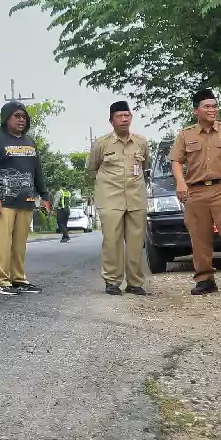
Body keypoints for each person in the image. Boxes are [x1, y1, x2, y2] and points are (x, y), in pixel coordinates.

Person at [168, 88, 221, 296]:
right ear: (196, 111)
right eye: (207, 106)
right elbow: (176, 161)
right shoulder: (185, 134)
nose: (212, 110)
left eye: (214, 106)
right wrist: (181, 183)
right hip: (196, 192)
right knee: (199, 238)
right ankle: (205, 279)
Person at [0, 101, 50, 295]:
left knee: (19, 245)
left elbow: (38, 171)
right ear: (6, 118)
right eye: (17, 116)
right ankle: (1, 281)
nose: (22, 119)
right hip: (3, 202)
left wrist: (43, 195)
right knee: (1, 244)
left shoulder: (30, 143)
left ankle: (18, 279)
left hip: (26, 201)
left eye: (24, 116)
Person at [87, 100, 152, 296]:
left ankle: (135, 282)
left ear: (131, 118)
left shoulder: (141, 142)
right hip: (110, 198)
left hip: (136, 198)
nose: (124, 119)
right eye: (119, 116)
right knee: (112, 240)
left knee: (135, 241)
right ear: (111, 120)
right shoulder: (101, 143)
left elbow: (144, 165)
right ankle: (112, 281)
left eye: (127, 116)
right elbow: (92, 169)